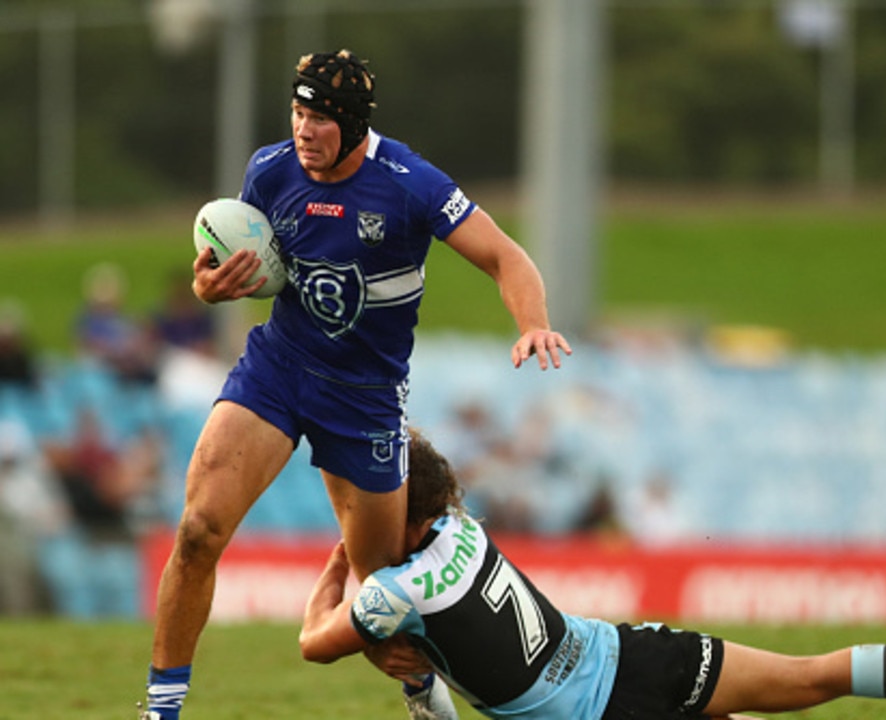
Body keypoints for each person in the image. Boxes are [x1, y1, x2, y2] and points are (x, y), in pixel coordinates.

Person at [140, 49, 571, 720]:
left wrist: (533, 323)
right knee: (198, 530)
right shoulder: (270, 169)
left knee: (380, 591)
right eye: (298, 112)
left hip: (364, 398)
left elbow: (504, 256)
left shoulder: (410, 183)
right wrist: (208, 286)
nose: (304, 131)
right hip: (276, 371)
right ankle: (161, 710)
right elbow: (220, 267)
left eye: (319, 119)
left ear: (353, 125)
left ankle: (422, 688)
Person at [299, 429, 886, 720]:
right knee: (811, 678)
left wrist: (342, 550)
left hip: (599, 712)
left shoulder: (392, 591)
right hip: (633, 652)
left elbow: (312, 643)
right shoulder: (463, 529)